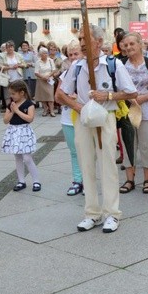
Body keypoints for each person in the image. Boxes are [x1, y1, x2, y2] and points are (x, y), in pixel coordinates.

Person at [59, 24, 138, 233]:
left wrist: (109, 96)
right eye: (80, 40)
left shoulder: (112, 64)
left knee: (108, 165)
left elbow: (131, 92)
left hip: (106, 118)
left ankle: (112, 213)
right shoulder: (77, 66)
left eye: (86, 40)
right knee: (86, 164)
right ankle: (91, 213)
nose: (83, 44)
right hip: (84, 121)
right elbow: (61, 94)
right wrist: (79, 106)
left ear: (99, 42)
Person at [121, 32, 148, 194]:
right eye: (126, 45)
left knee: (146, 146)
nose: (129, 47)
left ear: (140, 44)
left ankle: (147, 180)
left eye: (132, 43)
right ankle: (129, 180)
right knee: (128, 146)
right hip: (127, 110)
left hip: (147, 110)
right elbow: (118, 87)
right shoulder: (122, 64)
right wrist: (129, 97)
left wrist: (145, 97)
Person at [54, 41, 84, 196]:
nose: (73, 58)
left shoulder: (88, 72)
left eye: (76, 54)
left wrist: (73, 98)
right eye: (70, 55)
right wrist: (71, 99)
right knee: (74, 151)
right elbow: (57, 97)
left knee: (87, 151)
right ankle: (77, 180)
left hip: (85, 118)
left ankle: (88, 181)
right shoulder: (65, 74)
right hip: (68, 118)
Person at [1, 80, 40, 192]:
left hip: (24, 132)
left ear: (22, 93)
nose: (11, 96)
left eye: (13, 94)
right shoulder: (11, 105)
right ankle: (21, 181)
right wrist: (12, 111)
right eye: (10, 94)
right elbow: (5, 120)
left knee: (27, 158)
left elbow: (30, 118)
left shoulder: (29, 104)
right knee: (17, 157)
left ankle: (36, 180)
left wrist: (17, 111)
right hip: (13, 131)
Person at [0, 41, 25, 108]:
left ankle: (19, 108)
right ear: (6, 48)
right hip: (7, 78)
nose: (10, 48)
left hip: (17, 77)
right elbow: (0, 66)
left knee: (18, 93)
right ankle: (9, 109)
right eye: (8, 47)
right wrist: (10, 67)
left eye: (11, 47)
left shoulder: (18, 55)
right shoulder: (2, 56)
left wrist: (18, 65)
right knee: (7, 95)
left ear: (13, 47)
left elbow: (24, 64)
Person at [35, 47, 56, 117]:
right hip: (41, 80)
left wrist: (48, 76)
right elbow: (36, 72)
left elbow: (53, 70)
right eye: (43, 53)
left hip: (49, 80)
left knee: (50, 96)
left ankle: (52, 111)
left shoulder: (50, 61)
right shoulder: (38, 62)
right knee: (42, 96)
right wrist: (43, 77)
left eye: (46, 53)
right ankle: (45, 109)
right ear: (40, 54)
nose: (45, 54)